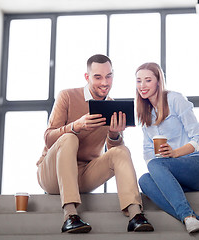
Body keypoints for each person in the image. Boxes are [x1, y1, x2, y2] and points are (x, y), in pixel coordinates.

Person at [36, 54, 154, 234]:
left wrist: (114, 134)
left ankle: (135, 215)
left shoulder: (111, 105)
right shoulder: (67, 96)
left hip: (84, 175)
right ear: (87, 77)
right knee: (69, 137)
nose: (104, 82)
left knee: (122, 150)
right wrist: (76, 126)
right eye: (98, 77)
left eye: (108, 76)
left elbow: (114, 154)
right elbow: (49, 138)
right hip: (52, 175)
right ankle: (70, 215)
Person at [135, 62, 199, 234]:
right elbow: (148, 153)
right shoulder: (145, 115)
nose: (142, 86)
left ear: (158, 81)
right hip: (176, 176)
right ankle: (194, 219)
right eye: (138, 81)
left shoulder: (174, 99)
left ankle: (189, 217)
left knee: (155, 165)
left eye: (148, 80)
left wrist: (174, 153)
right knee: (144, 180)